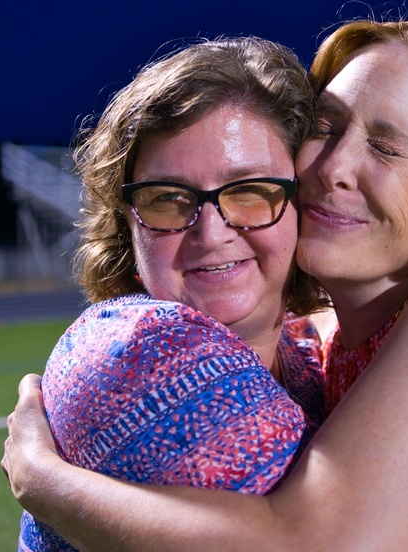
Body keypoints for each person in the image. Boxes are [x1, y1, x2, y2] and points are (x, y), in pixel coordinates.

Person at [4, 20, 408, 551]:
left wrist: (42, 479)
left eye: (385, 145)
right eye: (325, 128)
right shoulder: (325, 338)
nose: (332, 167)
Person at [16, 36, 330, 550]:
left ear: (305, 204)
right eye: (167, 199)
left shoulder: (302, 351)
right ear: (127, 230)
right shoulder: (138, 352)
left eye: (248, 190)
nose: (210, 232)